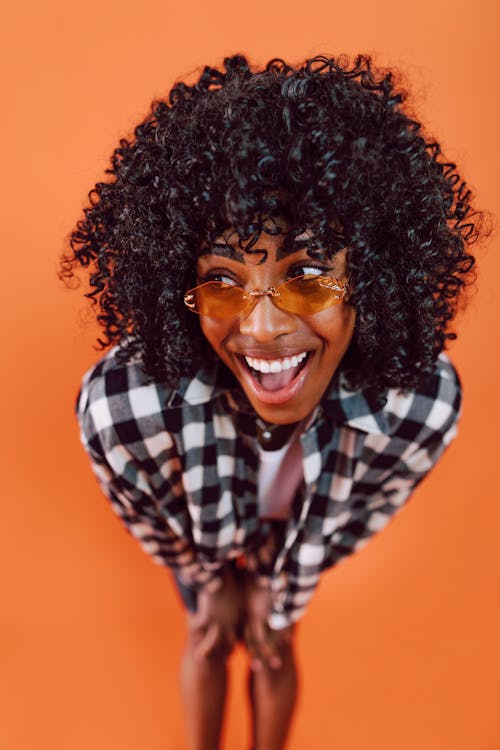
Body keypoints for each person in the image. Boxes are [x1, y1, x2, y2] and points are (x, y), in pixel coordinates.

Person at [61, 53, 483, 750]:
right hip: (198, 528)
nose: (260, 329)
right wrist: (206, 579)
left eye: (308, 275)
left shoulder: (420, 408)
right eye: (223, 282)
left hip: (297, 537)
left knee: (274, 645)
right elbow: (145, 512)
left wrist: (282, 590)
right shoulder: (123, 406)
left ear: (374, 278)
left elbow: (362, 513)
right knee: (206, 639)